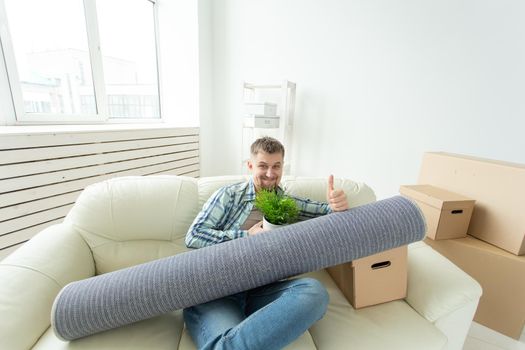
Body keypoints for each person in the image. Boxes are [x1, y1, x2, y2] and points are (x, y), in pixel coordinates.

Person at [184, 136, 349, 350]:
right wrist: (245, 237)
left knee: (314, 292)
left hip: (263, 291)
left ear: (282, 167)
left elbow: (327, 212)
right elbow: (194, 236)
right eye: (263, 166)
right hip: (219, 292)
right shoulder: (229, 196)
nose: (270, 174)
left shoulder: (285, 202)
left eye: (276, 166)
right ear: (250, 166)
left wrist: (337, 203)